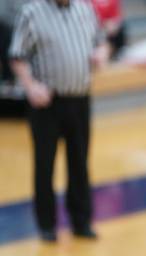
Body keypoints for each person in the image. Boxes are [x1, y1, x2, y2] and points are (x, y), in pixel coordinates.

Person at [9, 0, 109, 242]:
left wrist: (102, 53)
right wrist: (30, 85)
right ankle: (47, 225)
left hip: (80, 99)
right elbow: (16, 55)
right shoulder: (31, 12)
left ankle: (81, 221)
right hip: (47, 103)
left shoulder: (85, 9)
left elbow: (102, 41)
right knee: (45, 164)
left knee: (79, 161)